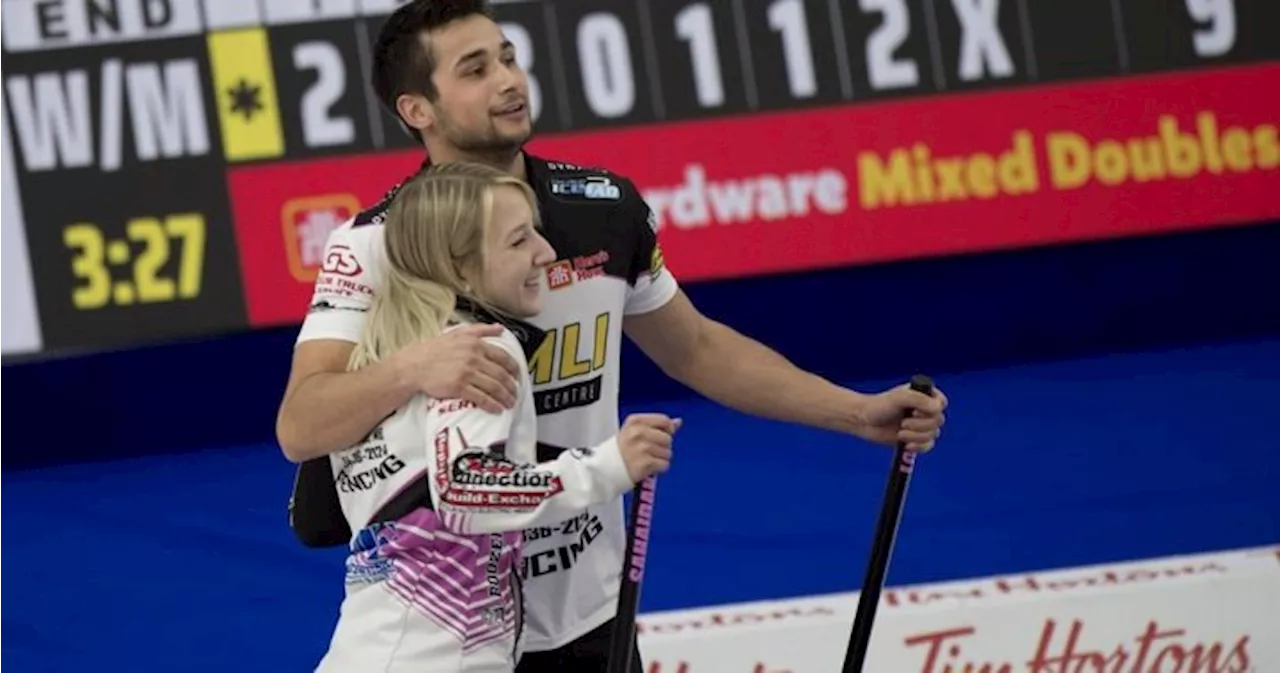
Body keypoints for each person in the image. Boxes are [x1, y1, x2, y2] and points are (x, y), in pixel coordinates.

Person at [276, 1, 948, 671]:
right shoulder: (373, 244)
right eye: (475, 70)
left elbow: (698, 349)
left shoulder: (604, 210)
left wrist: (857, 412)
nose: (509, 80)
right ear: (417, 109)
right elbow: (302, 424)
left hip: (592, 613)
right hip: (445, 631)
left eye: (507, 57)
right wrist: (412, 368)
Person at [313, 161, 681, 673]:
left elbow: (320, 515)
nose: (546, 252)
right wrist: (609, 466)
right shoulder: (481, 349)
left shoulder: (379, 362)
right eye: (518, 241)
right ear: (459, 267)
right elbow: (465, 492)